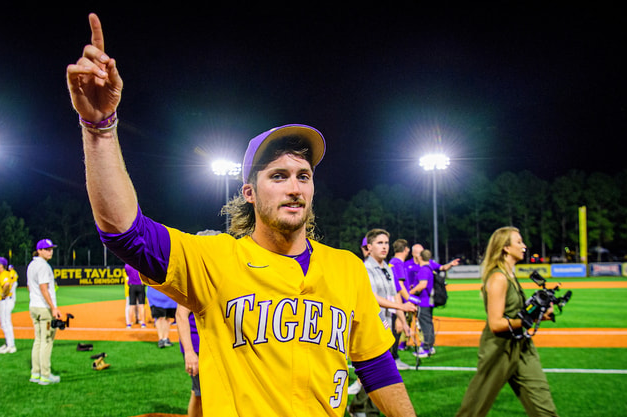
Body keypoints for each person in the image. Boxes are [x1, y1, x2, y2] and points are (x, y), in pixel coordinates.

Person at [66, 13, 415, 416]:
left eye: (304, 175)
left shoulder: (347, 270)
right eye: (278, 175)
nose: (294, 186)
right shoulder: (215, 260)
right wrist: (99, 128)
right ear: (249, 192)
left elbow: (377, 368)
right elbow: (125, 233)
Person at [456, 227, 558, 416]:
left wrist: (539, 314)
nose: (524, 246)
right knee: (474, 409)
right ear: (505, 248)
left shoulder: (510, 275)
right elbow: (496, 324)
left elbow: (518, 314)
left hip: (522, 346)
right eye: (519, 242)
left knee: (544, 407)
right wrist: (529, 320)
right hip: (499, 350)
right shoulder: (498, 278)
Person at [348, 230, 417, 416]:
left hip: (386, 324)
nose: (385, 246)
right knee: (379, 372)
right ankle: (366, 410)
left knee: (377, 373)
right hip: (370, 328)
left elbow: (394, 294)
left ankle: (357, 407)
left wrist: (401, 320)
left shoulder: (387, 268)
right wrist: (400, 307)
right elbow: (372, 297)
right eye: (379, 242)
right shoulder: (364, 268)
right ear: (369, 247)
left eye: (386, 242)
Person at [27, 238, 63, 385]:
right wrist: (53, 307)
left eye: (51, 249)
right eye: (47, 249)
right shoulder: (43, 266)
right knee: (47, 342)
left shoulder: (32, 264)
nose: (50, 252)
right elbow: (44, 289)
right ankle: (45, 375)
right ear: (39, 250)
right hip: (43, 308)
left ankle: (35, 373)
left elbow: (30, 287)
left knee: (38, 341)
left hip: (33, 306)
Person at [176, 303, 202, 417]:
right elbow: (181, 314)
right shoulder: (195, 285)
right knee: (199, 392)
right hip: (196, 345)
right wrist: (189, 352)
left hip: (213, 345)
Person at [409, 250, 436, 358]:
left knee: (425, 324)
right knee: (427, 323)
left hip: (423, 301)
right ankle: (429, 346)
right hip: (428, 300)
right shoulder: (429, 268)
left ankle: (427, 348)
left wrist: (410, 292)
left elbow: (423, 284)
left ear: (420, 257)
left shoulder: (424, 269)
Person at [0, 257, 17, 354]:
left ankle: (11, 346)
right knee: (3, 323)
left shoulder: (4, 274)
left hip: (5, 300)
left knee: (6, 323)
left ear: (1, 265)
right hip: (2, 301)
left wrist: (3, 294)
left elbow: (6, 284)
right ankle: (8, 344)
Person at [124, 263, 146, 328]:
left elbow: (127, 274)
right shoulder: (141, 264)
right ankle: (143, 323)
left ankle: (129, 324)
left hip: (132, 286)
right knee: (141, 305)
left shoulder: (127, 265)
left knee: (131, 305)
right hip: (140, 285)